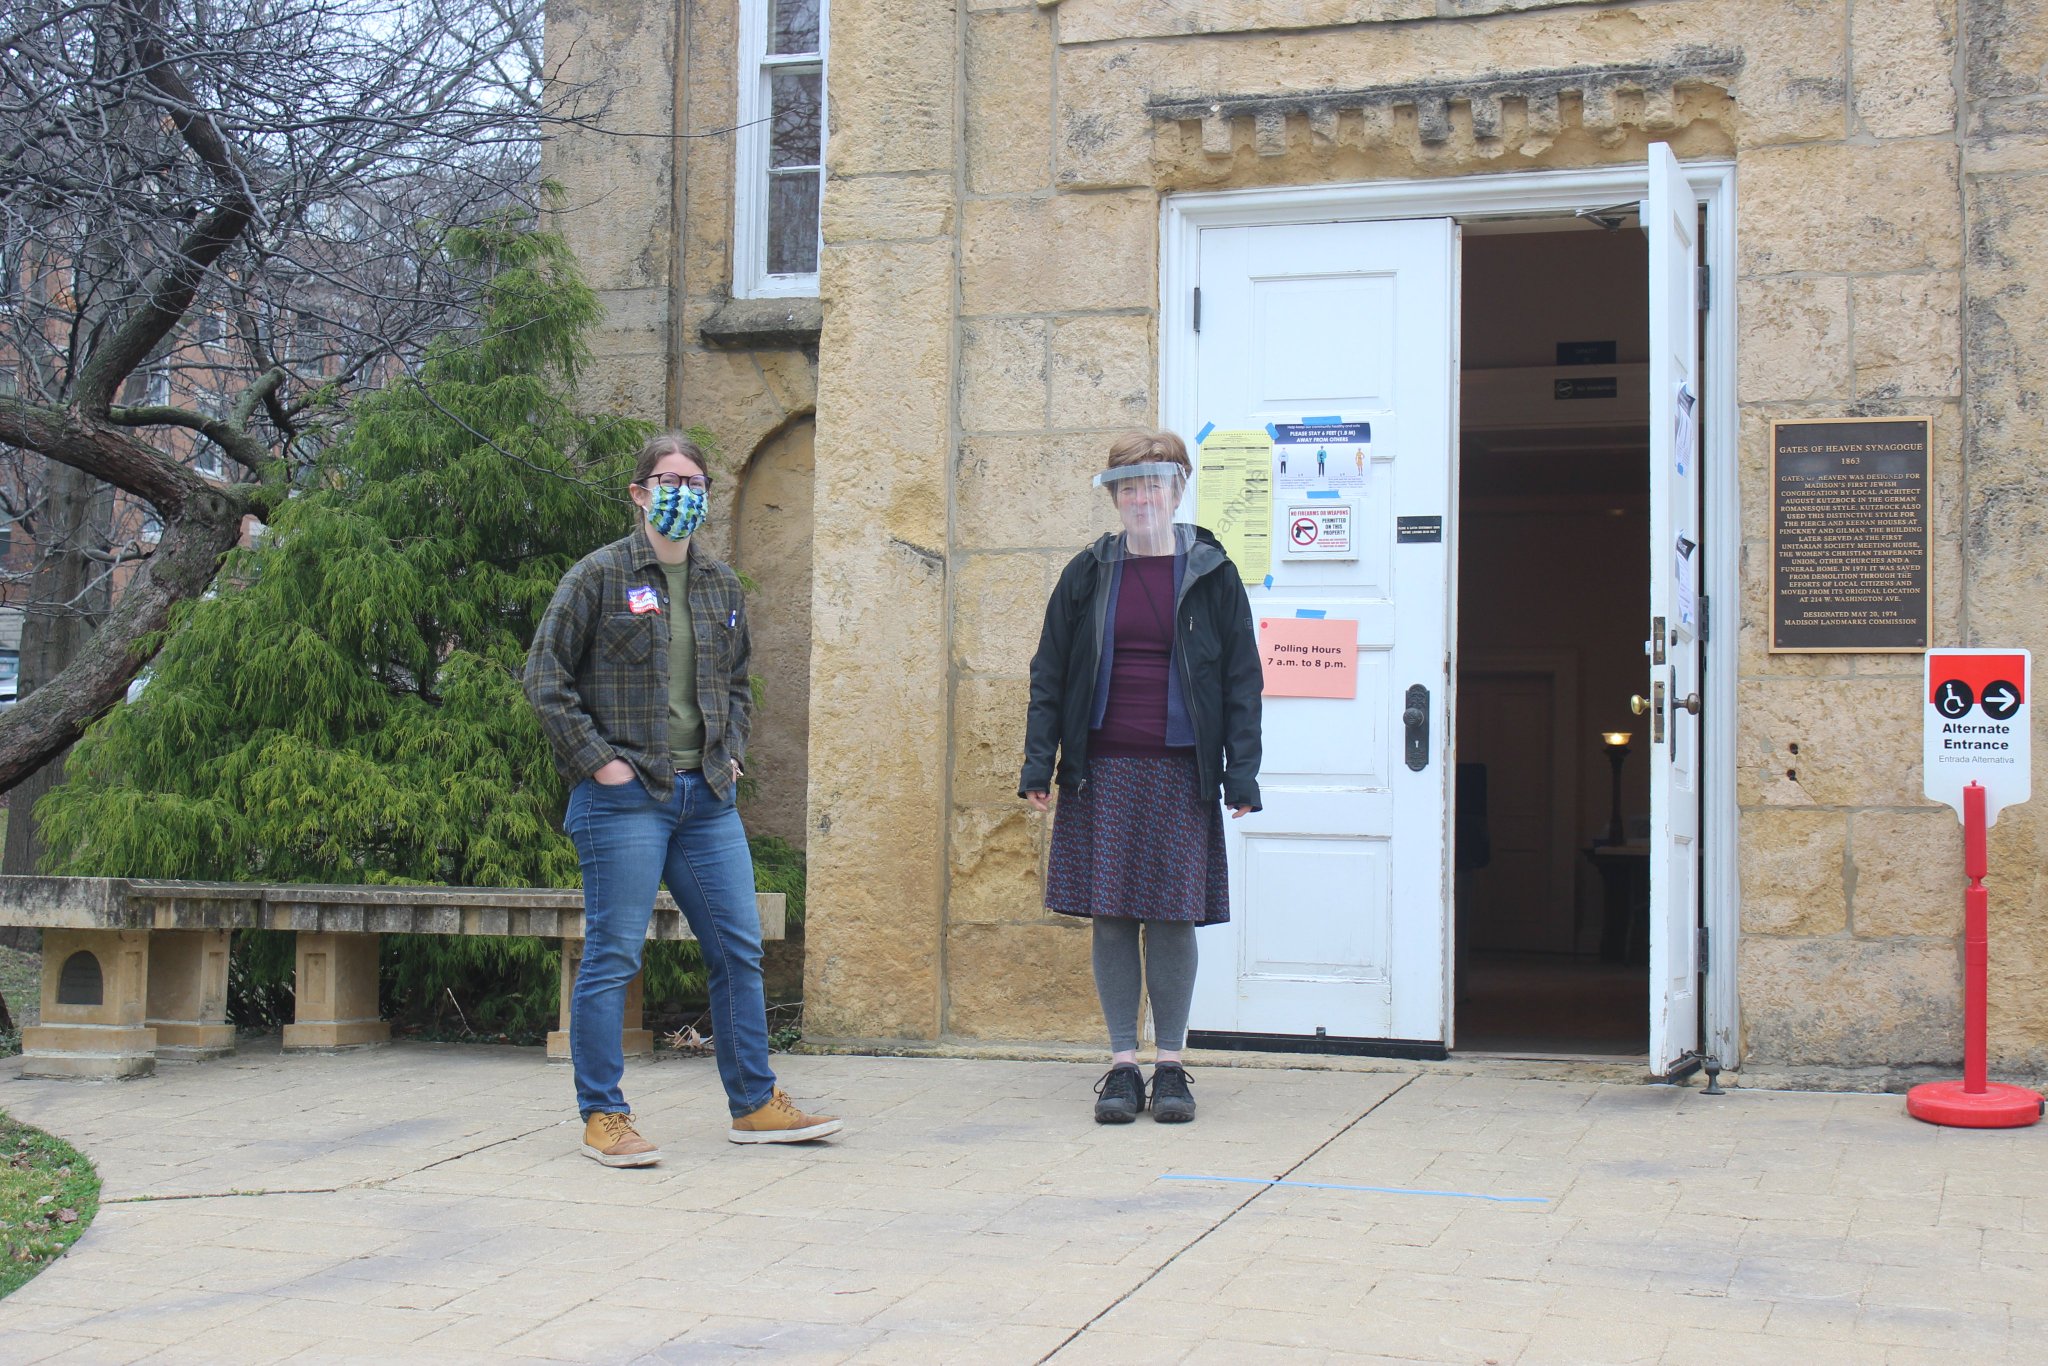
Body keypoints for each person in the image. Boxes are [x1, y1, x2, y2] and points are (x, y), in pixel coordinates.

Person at [525, 431, 841, 1164]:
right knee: (612, 955)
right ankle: (604, 1115)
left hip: (707, 798)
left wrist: (728, 755)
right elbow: (545, 680)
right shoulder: (597, 578)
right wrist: (600, 765)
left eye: (695, 481)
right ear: (639, 494)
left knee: (738, 950)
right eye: (668, 479)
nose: (682, 493)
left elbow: (735, 684)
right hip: (625, 799)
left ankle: (756, 1104)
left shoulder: (720, 585)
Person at [1020, 430, 1262, 1125]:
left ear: (1177, 488)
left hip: (1180, 769)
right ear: (1115, 496)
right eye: (1126, 486)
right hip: (1103, 768)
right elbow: (1050, 673)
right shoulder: (1090, 571)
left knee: (1172, 914)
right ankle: (1124, 1066)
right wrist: (1040, 763)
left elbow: (1242, 677)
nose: (1140, 497)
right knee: (1114, 914)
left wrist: (1240, 772)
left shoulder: (1212, 571)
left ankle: (1173, 1066)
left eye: (1152, 483)